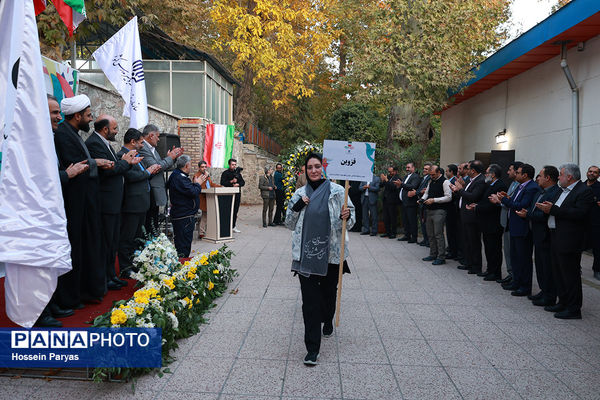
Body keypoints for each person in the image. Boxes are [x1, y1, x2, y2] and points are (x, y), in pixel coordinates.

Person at [285, 153, 355, 366]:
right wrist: (298, 206)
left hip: (331, 256)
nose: (314, 170)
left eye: (317, 166)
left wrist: (347, 215)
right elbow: (288, 223)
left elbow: (351, 222)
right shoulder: (299, 193)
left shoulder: (338, 192)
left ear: (323, 168)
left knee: (327, 296)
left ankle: (328, 319)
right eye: (310, 167)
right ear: (305, 170)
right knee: (310, 304)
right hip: (305, 257)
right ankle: (312, 349)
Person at [54, 94, 113, 308]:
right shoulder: (62, 135)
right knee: (75, 251)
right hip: (75, 206)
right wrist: (94, 162)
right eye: (88, 115)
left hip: (86, 203)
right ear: (77, 115)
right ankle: (71, 297)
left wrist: (92, 162)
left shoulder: (73, 133)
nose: (91, 119)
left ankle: (84, 293)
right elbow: (74, 167)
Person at [86, 115, 142, 290]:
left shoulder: (105, 143)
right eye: (115, 128)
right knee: (106, 241)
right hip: (106, 202)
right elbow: (109, 171)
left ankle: (111, 274)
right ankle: (105, 277)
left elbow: (114, 166)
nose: (117, 131)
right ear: (105, 129)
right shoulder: (95, 143)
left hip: (114, 202)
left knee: (112, 242)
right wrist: (126, 163)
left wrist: (128, 162)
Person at [536, 163, 594, 319]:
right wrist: (546, 207)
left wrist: (553, 210)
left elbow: (580, 213)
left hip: (570, 239)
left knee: (570, 274)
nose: (559, 178)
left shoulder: (584, 191)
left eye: (561, 175)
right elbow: (556, 208)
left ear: (569, 177)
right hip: (555, 236)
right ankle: (563, 302)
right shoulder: (562, 191)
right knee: (558, 272)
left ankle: (574, 308)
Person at [491, 163, 540, 296]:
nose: (515, 174)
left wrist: (504, 201)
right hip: (513, 225)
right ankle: (516, 281)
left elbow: (521, 205)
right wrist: (506, 197)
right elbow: (514, 200)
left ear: (525, 175)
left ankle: (525, 286)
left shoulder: (531, 188)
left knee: (523, 258)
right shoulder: (520, 186)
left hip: (523, 227)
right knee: (515, 257)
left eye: (517, 172)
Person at [117, 129, 160, 279]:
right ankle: (125, 267)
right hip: (131, 204)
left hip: (141, 204)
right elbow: (130, 176)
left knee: (137, 237)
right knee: (127, 237)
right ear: (133, 142)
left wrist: (148, 172)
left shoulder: (136, 155)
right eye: (141, 142)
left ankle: (134, 263)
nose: (142, 145)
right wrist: (147, 172)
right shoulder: (121, 155)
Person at [519, 166, 560, 306]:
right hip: (536, 233)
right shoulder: (540, 192)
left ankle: (549, 295)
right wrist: (528, 212)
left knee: (547, 266)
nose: (538, 178)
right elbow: (533, 208)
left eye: (541, 175)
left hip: (546, 235)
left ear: (548, 178)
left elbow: (544, 214)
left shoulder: (555, 192)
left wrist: (527, 214)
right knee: (541, 265)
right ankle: (544, 290)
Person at [139, 124, 184, 233]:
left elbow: (161, 165)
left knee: (154, 221)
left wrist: (172, 158)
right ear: (151, 135)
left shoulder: (153, 149)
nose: (159, 139)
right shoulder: (143, 148)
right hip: (150, 191)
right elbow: (156, 167)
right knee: (149, 223)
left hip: (156, 191)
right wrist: (169, 158)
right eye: (157, 136)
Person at [468, 164, 507, 281]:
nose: (485, 175)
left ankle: (495, 272)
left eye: (487, 173)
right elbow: (485, 201)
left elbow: (493, 205)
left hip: (494, 223)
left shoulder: (500, 185)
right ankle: (490, 270)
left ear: (493, 174)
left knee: (494, 249)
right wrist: (478, 205)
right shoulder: (490, 185)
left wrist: (477, 207)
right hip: (486, 222)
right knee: (489, 248)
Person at [451, 160, 487, 274]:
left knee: (474, 242)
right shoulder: (472, 180)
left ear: (473, 170)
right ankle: (469, 263)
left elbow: (473, 196)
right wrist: (459, 189)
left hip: (473, 217)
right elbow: (465, 195)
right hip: (465, 215)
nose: (467, 170)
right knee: (467, 241)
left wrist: (460, 189)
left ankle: (476, 266)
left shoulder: (480, 181)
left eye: (468, 168)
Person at [167, 155, 205, 257]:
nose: (191, 167)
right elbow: (193, 192)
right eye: (191, 164)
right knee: (183, 245)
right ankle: (182, 266)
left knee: (183, 243)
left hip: (183, 214)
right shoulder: (179, 177)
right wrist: (198, 184)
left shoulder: (177, 175)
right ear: (187, 165)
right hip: (184, 216)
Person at [421, 165, 452, 265]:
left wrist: (434, 200)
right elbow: (427, 193)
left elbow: (448, 197)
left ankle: (441, 257)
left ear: (439, 172)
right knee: (430, 234)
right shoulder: (431, 181)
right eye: (430, 174)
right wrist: (422, 199)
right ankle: (433, 254)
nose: (431, 176)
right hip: (429, 210)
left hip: (439, 210)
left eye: (433, 174)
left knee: (438, 234)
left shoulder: (445, 182)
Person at [498, 161, 523, 285]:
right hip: (507, 221)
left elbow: (514, 203)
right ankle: (510, 273)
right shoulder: (512, 184)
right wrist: (503, 199)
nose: (508, 172)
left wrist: (502, 200)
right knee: (508, 251)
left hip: (516, 223)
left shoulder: (522, 186)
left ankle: (516, 276)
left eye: (511, 170)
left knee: (516, 253)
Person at [193, 160, 221, 239]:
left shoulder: (206, 175)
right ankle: (201, 233)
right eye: (202, 167)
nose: (204, 168)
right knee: (204, 216)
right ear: (199, 167)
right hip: (201, 198)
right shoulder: (197, 176)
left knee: (203, 216)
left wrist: (220, 186)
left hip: (208, 197)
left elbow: (211, 184)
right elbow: (198, 186)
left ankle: (201, 231)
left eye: (205, 167)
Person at [396, 163, 421, 243]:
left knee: (412, 221)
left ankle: (414, 237)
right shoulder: (406, 176)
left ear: (413, 168)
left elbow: (412, 186)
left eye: (408, 167)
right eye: (406, 167)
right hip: (404, 202)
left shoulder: (416, 177)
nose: (407, 169)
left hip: (411, 203)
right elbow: (403, 186)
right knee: (405, 220)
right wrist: (399, 185)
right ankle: (407, 235)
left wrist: (401, 184)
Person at [220, 158, 246, 232]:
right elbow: (222, 183)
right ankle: (226, 226)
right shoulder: (225, 173)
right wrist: (231, 181)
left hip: (237, 194)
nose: (234, 166)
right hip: (228, 195)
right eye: (232, 165)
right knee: (227, 211)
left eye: (235, 165)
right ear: (229, 165)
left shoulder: (238, 173)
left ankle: (233, 226)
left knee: (235, 211)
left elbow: (243, 182)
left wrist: (238, 184)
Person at [584, 165, 600, 280]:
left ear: (598, 175)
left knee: (597, 247)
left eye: (595, 172)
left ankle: (597, 269)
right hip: (579, 222)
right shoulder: (580, 186)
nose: (592, 173)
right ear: (587, 173)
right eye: (590, 171)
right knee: (576, 246)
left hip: (595, 222)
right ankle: (576, 267)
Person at [380, 166, 401, 239]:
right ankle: (387, 232)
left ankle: (393, 233)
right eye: (388, 171)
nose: (389, 173)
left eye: (391, 171)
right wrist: (383, 180)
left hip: (393, 200)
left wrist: (387, 180)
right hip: (386, 200)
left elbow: (393, 187)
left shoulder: (398, 178)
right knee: (386, 217)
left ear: (395, 171)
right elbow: (381, 186)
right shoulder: (388, 177)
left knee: (393, 217)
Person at [445, 164, 460, 259]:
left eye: (447, 171)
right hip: (448, 209)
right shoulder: (448, 181)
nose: (446, 173)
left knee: (452, 231)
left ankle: (453, 251)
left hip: (452, 209)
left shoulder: (455, 181)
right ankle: (450, 249)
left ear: (451, 172)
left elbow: (454, 196)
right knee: (449, 231)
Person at [416, 163, 432, 246]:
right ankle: (425, 239)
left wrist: (417, 192)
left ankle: (428, 241)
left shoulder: (430, 178)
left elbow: (424, 191)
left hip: (426, 204)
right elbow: (420, 189)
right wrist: (419, 192)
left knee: (426, 222)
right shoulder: (423, 179)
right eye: (424, 168)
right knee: (422, 222)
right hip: (421, 203)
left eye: (426, 169)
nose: (424, 170)